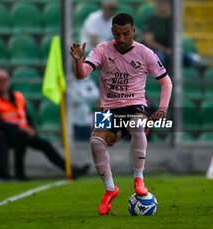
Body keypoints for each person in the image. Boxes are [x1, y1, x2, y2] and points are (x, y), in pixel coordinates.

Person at [70, 13, 172, 214]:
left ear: (133, 31)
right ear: (112, 32)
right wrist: (78, 61)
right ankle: (110, 190)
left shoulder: (145, 53)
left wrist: (162, 109)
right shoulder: (102, 50)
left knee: (135, 125)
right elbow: (82, 75)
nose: (122, 39)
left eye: (126, 33)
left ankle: (139, 178)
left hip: (136, 104)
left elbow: (166, 82)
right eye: (117, 34)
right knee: (95, 142)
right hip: (107, 108)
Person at [0, 69, 89, 180]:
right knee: (21, 136)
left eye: (4, 79)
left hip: (22, 132)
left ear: (9, 81)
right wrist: (21, 129)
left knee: (45, 145)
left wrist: (31, 128)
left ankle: (70, 170)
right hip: (4, 134)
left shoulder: (17, 97)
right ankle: (19, 174)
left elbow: (27, 116)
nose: (2, 83)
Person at [142, 0, 199, 69]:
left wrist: (174, 50)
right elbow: (148, 41)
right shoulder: (150, 21)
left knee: (192, 58)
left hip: (171, 51)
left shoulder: (172, 21)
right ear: (156, 5)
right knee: (159, 58)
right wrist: (165, 50)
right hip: (155, 51)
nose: (163, 6)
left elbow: (178, 38)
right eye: (161, 4)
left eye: (165, 4)